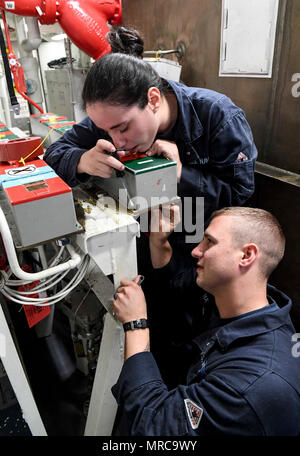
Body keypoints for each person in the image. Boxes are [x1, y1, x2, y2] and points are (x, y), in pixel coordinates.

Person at [43, 27, 257, 250]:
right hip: (140, 241)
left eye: (123, 128)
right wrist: (82, 161)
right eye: (106, 131)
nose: (116, 141)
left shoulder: (218, 116)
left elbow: (240, 198)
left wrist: (181, 174)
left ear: (153, 100)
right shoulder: (111, 117)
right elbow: (53, 155)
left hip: (197, 248)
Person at [111, 206, 300, 435]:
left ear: (246, 255)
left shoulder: (251, 384)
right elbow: (177, 285)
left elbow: (152, 424)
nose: (196, 251)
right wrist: (159, 243)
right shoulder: (247, 300)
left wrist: (136, 325)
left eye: (209, 242)